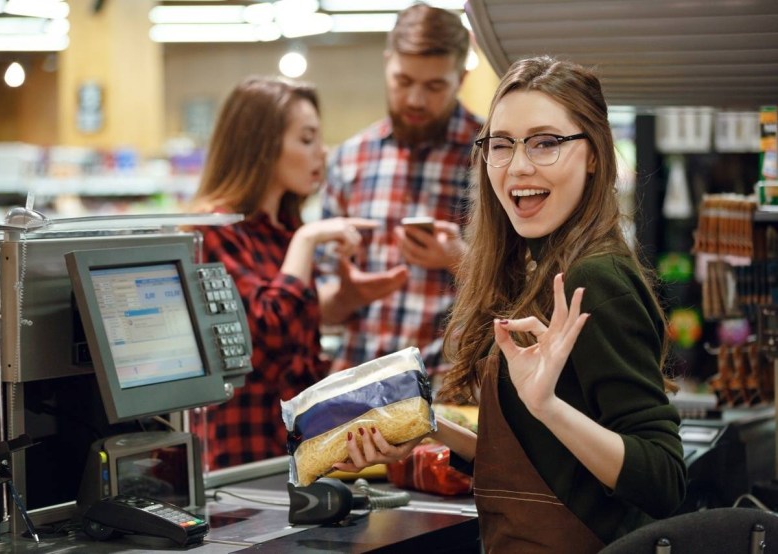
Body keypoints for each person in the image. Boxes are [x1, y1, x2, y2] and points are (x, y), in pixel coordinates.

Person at [335, 56, 687, 552]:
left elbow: (663, 480)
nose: (519, 166)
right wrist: (425, 428)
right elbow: (545, 462)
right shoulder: (540, 268)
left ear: (593, 154)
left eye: (546, 143)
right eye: (501, 145)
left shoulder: (593, 278)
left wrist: (546, 406)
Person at [190, 76, 408, 469]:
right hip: (242, 454)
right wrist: (307, 240)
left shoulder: (281, 230)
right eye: (306, 140)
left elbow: (294, 326)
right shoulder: (211, 231)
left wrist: (346, 299)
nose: (320, 152)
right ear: (261, 145)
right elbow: (263, 335)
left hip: (294, 449)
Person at [317, 3, 483, 378]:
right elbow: (320, 305)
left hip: (451, 392)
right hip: (358, 388)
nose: (415, 101)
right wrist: (346, 296)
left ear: (462, 75)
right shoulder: (350, 159)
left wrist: (459, 260)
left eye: (434, 86)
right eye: (403, 81)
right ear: (387, 62)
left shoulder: (494, 155)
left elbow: (528, 294)